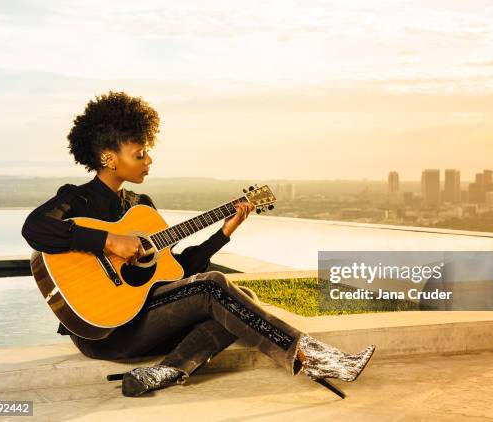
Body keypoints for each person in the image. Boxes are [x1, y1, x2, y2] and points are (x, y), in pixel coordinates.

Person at [21, 91, 375, 398]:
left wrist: (224, 233)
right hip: (101, 332)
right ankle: (315, 357)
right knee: (216, 286)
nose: (149, 161)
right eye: (140, 153)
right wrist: (108, 240)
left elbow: (179, 273)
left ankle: (166, 371)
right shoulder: (76, 201)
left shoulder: (140, 208)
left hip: (144, 324)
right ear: (108, 158)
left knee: (240, 302)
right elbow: (34, 229)